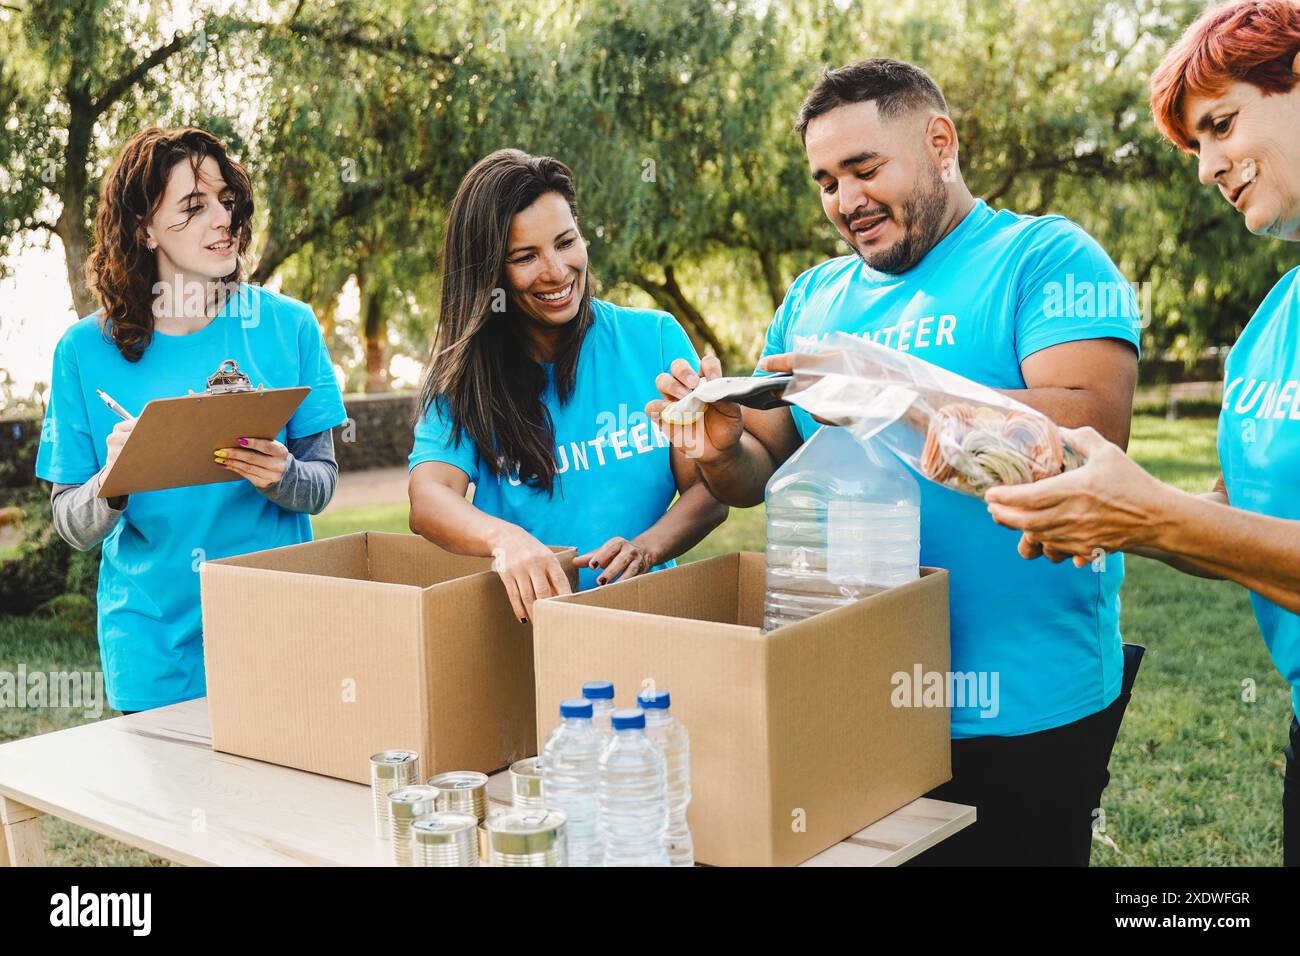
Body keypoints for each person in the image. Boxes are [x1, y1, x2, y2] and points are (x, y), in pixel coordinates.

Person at [650, 58, 1144, 865]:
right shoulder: (813, 297)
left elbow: (1088, 429)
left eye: (863, 169)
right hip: (857, 695)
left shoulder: (1046, 258)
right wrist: (722, 447)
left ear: (939, 142)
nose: (844, 202)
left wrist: (888, 387)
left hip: (1021, 705)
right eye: (824, 182)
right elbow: (761, 473)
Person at [984, 0, 1300, 867]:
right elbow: (1241, 524)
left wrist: (1153, 518)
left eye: (1222, 124)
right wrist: (1115, 514)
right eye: (1195, 144)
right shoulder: (1272, 323)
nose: (1206, 169)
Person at [35, 127, 347, 714]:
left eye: (226, 201)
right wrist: (115, 481)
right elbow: (71, 524)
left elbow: (322, 484)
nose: (221, 219)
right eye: (193, 206)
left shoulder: (289, 326)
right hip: (155, 653)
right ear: (143, 227)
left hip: (280, 638)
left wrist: (284, 476)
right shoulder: (82, 351)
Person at [407, 149, 727, 622]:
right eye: (524, 257)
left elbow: (709, 491)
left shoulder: (655, 339)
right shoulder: (464, 379)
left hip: (650, 620)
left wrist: (645, 549)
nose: (556, 271)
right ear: (489, 272)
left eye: (565, 242)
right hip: (531, 631)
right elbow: (428, 498)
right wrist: (505, 539)